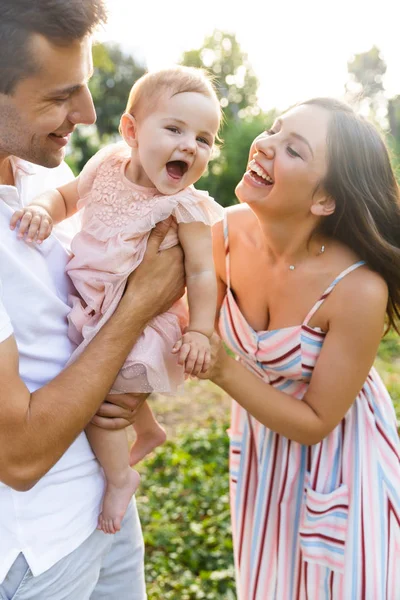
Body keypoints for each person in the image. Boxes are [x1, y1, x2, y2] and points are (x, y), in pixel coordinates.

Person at [0, 1, 185, 598]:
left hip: (104, 507)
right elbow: (20, 457)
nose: (87, 113)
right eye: (60, 96)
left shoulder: (40, 172)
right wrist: (139, 304)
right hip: (38, 551)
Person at [10, 66, 224, 534]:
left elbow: (204, 273)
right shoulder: (106, 166)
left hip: (147, 323)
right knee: (101, 381)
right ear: (130, 131)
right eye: (174, 129)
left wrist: (200, 331)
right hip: (94, 307)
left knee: (98, 406)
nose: (190, 145)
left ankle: (120, 477)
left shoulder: (186, 207)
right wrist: (42, 211)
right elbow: (65, 198)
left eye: (204, 139)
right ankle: (147, 430)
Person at [202, 98, 400, 599]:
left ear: (324, 201)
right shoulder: (219, 235)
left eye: (293, 149)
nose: (264, 144)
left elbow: (315, 423)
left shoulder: (358, 289)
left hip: (340, 457)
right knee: (271, 581)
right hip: (261, 452)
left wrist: (221, 367)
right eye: (273, 129)